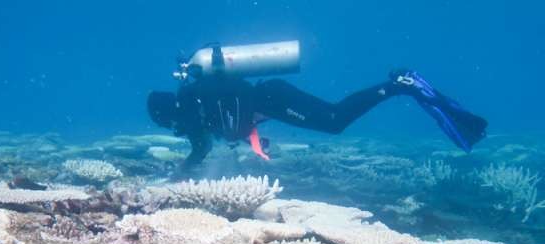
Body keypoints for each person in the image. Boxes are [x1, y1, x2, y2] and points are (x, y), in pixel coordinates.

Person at [147, 70, 487, 170]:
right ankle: (401, 87)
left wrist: (175, 178)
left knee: (334, 120)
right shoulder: (197, 100)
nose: (169, 127)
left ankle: (399, 85)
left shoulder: (190, 107)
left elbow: (200, 149)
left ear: (165, 113)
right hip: (271, 95)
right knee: (334, 118)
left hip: (273, 99)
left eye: (163, 122)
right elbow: (234, 121)